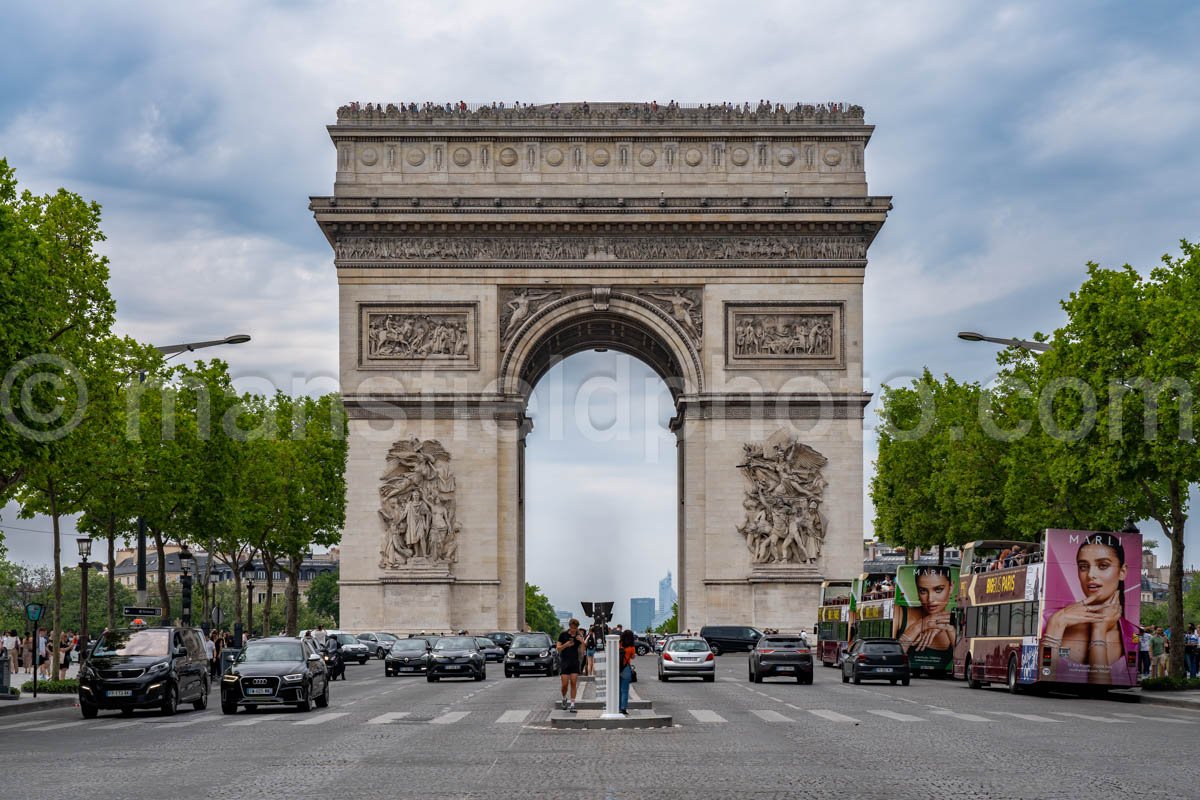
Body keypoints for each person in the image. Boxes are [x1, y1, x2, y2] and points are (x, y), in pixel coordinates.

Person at [1041, 532, 1134, 685]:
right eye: (1083, 567)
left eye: (1103, 565)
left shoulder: (1131, 633)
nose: (1090, 575)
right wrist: (1056, 624)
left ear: (1122, 572)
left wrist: (1099, 630)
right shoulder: (1050, 619)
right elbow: (1044, 677)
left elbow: (1101, 690)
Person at [895, 566, 956, 673]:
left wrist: (950, 630)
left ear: (951, 588)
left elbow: (964, 664)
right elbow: (893, 659)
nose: (930, 599)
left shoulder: (956, 621)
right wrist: (919, 626)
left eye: (938, 589)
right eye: (923, 591)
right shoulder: (899, 613)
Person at [556, 618, 585, 712]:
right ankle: (564, 698)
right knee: (564, 684)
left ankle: (572, 704)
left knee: (573, 682)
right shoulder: (563, 635)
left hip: (574, 662)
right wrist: (566, 645)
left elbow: (582, 652)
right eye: (572, 627)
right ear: (569, 626)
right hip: (564, 661)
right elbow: (558, 649)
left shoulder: (578, 636)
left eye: (575, 628)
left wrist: (582, 642)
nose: (573, 630)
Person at [618, 629, 636, 715]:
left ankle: (617, 707)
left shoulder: (619, 644)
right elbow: (633, 657)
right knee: (624, 690)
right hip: (626, 668)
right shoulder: (631, 647)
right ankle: (623, 708)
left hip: (617, 668)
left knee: (618, 690)